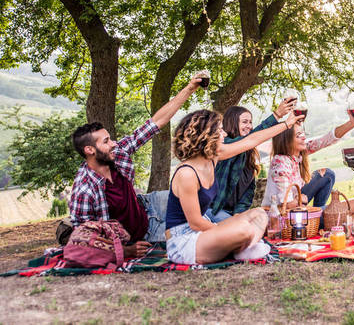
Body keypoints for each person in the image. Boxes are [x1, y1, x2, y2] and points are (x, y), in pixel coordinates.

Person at [69, 73, 206, 257]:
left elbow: (156, 123)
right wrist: (125, 251)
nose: (113, 144)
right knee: (197, 237)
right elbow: (82, 240)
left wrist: (190, 88)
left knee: (199, 202)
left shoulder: (116, 154)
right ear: (89, 150)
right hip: (142, 234)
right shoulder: (84, 190)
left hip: (148, 206)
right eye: (106, 141)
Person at [166, 109, 303, 265]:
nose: (224, 134)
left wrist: (287, 124)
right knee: (244, 229)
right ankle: (244, 246)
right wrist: (228, 229)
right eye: (219, 130)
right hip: (185, 243)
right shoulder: (186, 174)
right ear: (206, 136)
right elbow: (195, 223)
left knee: (260, 214)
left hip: (206, 232)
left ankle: (242, 246)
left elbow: (252, 140)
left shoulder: (214, 157)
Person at [206, 98, 297, 223]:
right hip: (213, 211)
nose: (249, 126)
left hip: (231, 213)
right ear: (232, 123)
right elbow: (252, 138)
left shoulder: (249, 156)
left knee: (263, 221)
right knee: (244, 229)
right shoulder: (224, 146)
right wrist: (278, 117)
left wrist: (238, 214)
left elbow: (247, 194)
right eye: (244, 122)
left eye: (250, 122)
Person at [261, 110, 354, 210]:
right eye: (298, 135)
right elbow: (287, 204)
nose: (303, 137)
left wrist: (351, 124)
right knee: (333, 211)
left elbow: (327, 139)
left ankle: (316, 214)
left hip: (296, 202)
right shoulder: (280, 162)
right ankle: (318, 215)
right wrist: (301, 200)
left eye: (303, 133)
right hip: (281, 214)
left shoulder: (298, 154)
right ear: (286, 141)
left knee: (327, 174)